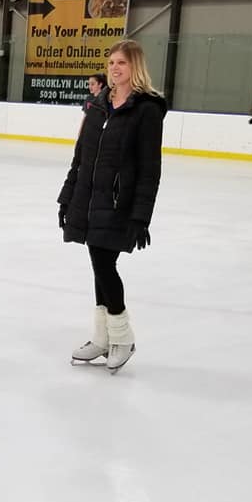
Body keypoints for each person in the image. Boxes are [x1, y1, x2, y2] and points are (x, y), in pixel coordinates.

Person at [59, 39, 166, 374]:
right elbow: (80, 157)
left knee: (104, 264)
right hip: (90, 199)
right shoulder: (98, 104)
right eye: (111, 63)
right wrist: (67, 195)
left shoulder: (146, 110)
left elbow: (150, 168)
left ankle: (122, 337)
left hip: (119, 203)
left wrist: (141, 216)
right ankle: (103, 338)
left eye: (122, 62)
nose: (115, 68)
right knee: (98, 265)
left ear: (135, 66)